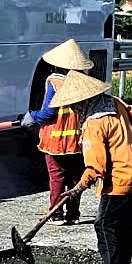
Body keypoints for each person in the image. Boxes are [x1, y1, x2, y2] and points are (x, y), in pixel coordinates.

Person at [51, 71, 132, 264]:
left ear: (82, 101)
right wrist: (124, 144)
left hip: (120, 179)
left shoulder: (94, 124)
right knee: (124, 227)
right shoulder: (114, 102)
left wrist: (76, 188)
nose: (73, 110)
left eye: (73, 105)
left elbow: (96, 167)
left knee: (104, 223)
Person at [19, 39, 94, 225]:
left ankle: (56, 214)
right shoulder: (84, 84)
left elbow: (48, 112)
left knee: (57, 178)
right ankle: (73, 214)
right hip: (78, 141)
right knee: (76, 178)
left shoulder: (54, 82)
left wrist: (31, 117)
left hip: (55, 141)